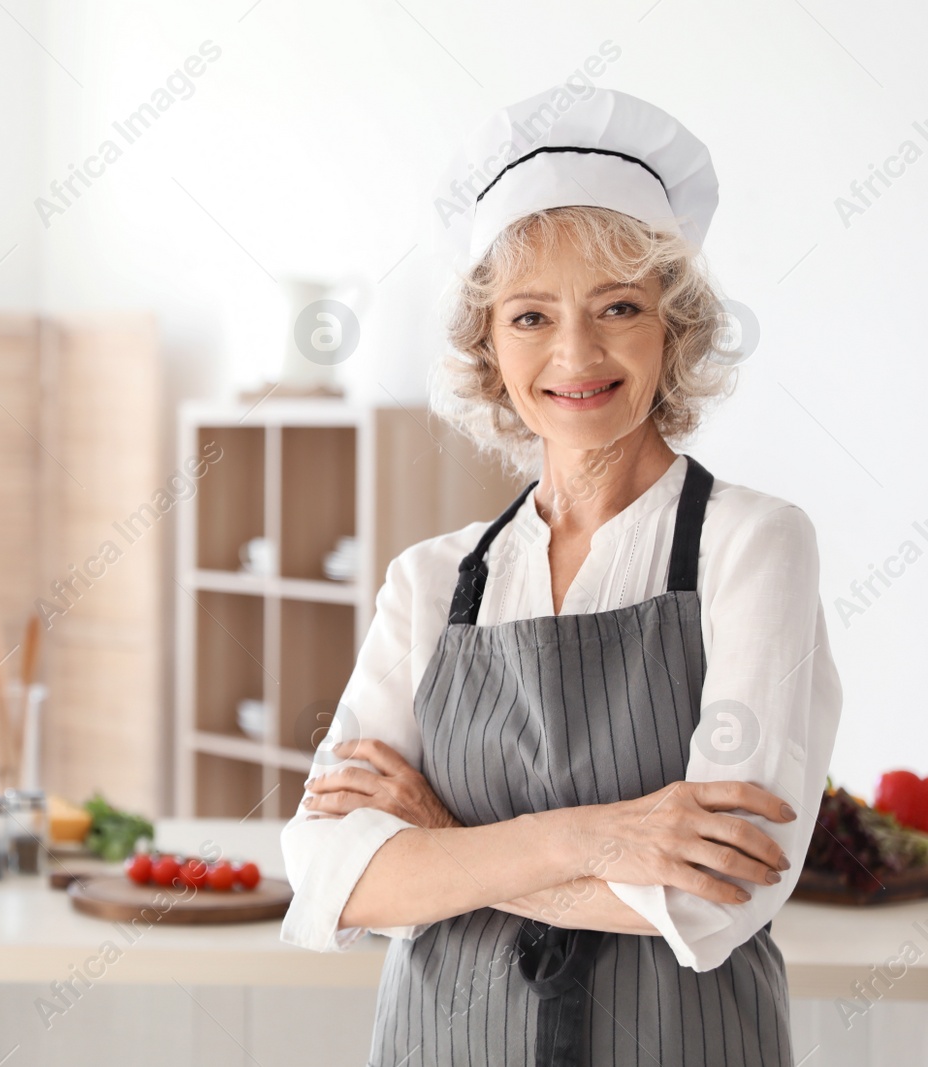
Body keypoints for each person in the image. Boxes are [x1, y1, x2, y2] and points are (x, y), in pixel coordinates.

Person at [278, 86, 841, 1067]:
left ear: (674, 327)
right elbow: (334, 872)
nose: (574, 352)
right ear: (487, 348)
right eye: (530, 315)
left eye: (617, 307)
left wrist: (442, 844)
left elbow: (719, 891)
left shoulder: (754, 545)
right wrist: (600, 836)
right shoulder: (429, 580)